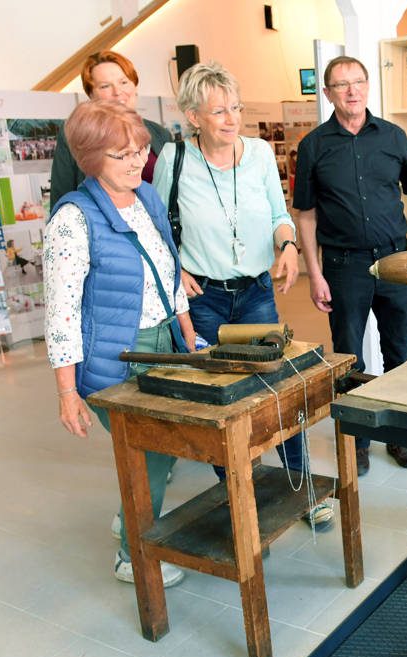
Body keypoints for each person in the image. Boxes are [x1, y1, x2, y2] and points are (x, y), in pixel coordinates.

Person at [152, 62, 334, 531]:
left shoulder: (255, 154)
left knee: (278, 386)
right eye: (218, 111)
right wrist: (178, 269)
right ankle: (241, 489)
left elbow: (279, 214)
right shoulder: (173, 161)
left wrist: (287, 245)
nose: (231, 119)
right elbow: (157, 228)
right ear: (193, 116)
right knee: (222, 400)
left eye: (235, 107)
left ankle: (302, 485)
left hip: (255, 292)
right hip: (204, 299)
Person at [43, 100, 196, 588]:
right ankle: (133, 557)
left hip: (164, 347)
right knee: (151, 451)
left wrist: (188, 334)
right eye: (122, 154)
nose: (136, 162)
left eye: (141, 151)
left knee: (166, 448)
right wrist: (67, 392)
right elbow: (61, 311)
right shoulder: (72, 219)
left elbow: (168, 272)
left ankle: (127, 515)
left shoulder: (147, 197)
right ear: (91, 159)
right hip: (114, 358)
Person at [293, 56, 407, 475]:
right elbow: (306, 215)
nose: (351, 90)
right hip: (343, 265)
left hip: (393, 261)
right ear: (328, 92)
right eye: (341, 84)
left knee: (399, 352)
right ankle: (357, 441)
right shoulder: (314, 145)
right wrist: (314, 275)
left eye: (357, 82)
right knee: (349, 357)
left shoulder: (392, 136)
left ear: (368, 86)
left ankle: (400, 436)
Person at [50, 51, 172, 207]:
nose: (118, 92)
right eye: (105, 86)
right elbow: (62, 195)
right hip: (100, 228)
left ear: (135, 85)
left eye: (124, 82)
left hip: (155, 225)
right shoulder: (73, 134)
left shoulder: (160, 134)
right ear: (91, 95)